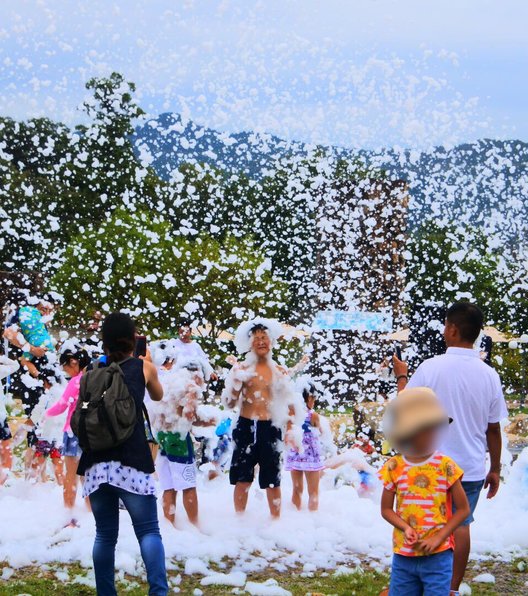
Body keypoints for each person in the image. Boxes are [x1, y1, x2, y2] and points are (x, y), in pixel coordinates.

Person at [393, 302, 508, 595]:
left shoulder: (431, 367)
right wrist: (494, 468)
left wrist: (401, 376)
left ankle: (417, 582)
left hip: (429, 465)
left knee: (423, 520)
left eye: (446, 325)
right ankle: (451, 589)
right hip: (469, 467)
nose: (444, 331)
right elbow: (493, 429)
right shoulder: (489, 374)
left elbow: (405, 406)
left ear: (453, 329)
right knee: (461, 525)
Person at [77, 312, 168, 596]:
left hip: (95, 462)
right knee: (149, 532)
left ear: (103, 341)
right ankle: (158, 592)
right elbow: (158, 396)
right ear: (134, 339)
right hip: (131, 460)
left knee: (104, 535)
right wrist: (148, 361)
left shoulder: (91, 370)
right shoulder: (143, 367)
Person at [379, 387, 470, 596]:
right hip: (404, 554)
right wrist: (404, 527)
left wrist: (439, 538)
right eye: (425, 428)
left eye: (434, 427)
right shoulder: (394, 466)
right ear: (408, 431)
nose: (431, 434)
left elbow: (463, 510)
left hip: (438, 556)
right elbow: (386, 509)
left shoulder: (445, 465)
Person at [222, 318, 301, 518]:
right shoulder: (242, 369)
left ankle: (275, 522)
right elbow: (230, 403)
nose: (260, 341)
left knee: (273, 479)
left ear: (271, 341)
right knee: (242, 478)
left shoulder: (279, 371)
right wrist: (236, 382)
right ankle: (239, 521)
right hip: (246, 426)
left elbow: (289, 404)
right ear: (249, 343)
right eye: (256, 338)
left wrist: (291, 429)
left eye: (264, 337)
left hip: (270, 427)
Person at [152, 359, 214, 527]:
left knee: (169, 486)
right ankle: (195, 526)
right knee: (188, 486)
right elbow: (189, 417)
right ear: (198, 374)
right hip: (178, 439)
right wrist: (209, 421)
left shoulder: (168, 383)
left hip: (161, 437)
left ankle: (169, 525)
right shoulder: (191, 387)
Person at [45, 344, 91, 524]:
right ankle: (91, 514)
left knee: (71, 474)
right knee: (87, 476)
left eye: (66, 367)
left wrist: (46, 414)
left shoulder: (76, 381)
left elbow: (63, 405)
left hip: (73, 432)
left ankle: (68, 514)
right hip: (89, 432)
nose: (66, 372)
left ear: (73, 362)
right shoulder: (92, 377)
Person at [284, 379, 324, 511]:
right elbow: (321, 434)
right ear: (310, 397)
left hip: (295, 454)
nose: (315, 400)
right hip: (311, 457)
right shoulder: (313, 415)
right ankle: (313, 518)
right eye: (314, 397)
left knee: (296, 490)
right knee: (313, 492)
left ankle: (296, 517)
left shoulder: (291, 413)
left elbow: (288, 433)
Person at [0, 355, 19, 485]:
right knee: (6, 452)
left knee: (5, 452)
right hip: (0, 418)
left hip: (1, 417)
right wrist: (2, 357)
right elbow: (15, 365)